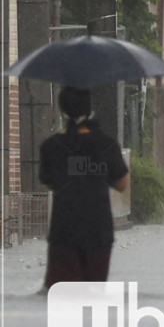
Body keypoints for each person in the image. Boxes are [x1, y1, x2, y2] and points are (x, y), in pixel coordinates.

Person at [38, 86, 129, 291]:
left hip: (63, 230)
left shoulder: (51, 146)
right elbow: (122, 184)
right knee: (93, 294)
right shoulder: (106, 144)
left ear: (63, 110)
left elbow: (49, 182)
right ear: (90, 110)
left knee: (60, 294)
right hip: (99, 231)